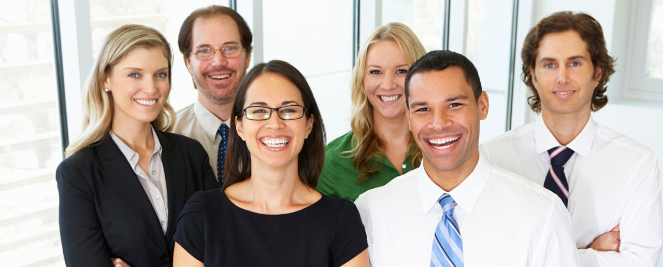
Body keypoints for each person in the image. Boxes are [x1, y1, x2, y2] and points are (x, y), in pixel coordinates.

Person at [355, 50, 580, 266]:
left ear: (482, 105)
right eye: (423, 109)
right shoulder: (371, 212)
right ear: (409, 116)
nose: (439, 123)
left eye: (454, 105)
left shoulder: (542, 214)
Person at [480, 11, 662, 266]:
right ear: (533, 74)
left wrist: (543, 256)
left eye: (575, 63)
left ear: (597, 73)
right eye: (549, 64)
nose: (562, 77)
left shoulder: (637, 164)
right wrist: (589, 253)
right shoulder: (492, 158)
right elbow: (486, 256)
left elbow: (641, 262)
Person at [173, 60, 369, 267]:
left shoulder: (342, 221)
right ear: (239, 126)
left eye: (289, 110)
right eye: (258, 111)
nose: (275, 124)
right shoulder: (201, 216)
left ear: (309, 125)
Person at [56, 25, 218, 267]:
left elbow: (221, 247)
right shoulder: (79, 173)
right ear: (105, 79)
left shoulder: (191, 154)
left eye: (160, 74)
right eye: (135, 74)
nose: (151, 88)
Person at [317, 22, 426, 201]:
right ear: (362, 79)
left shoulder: (444, 149)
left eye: (401, 71)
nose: (388, 85)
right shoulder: (332, 161)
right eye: (375, 72)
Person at [173, 5, 252, 185]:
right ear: (189, 63)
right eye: (204, 50)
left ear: (247, 57)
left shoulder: (274, 131)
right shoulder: (166, 136)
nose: (218, 62)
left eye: (229, 48)